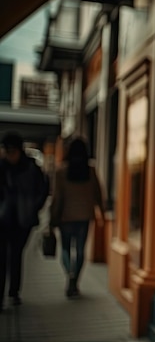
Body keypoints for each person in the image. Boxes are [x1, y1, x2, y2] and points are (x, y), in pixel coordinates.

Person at [50, 137, 105, 297]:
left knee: (65, 249)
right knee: (80, 250)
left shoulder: (61, 172)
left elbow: (57, 198)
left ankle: (70, 274)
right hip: (84, 217)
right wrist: (100, 211)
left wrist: (53, 217)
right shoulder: (90, 171)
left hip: (65, 217)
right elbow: (98, 193)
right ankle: (75, 280)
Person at [0, 132, 49, 310]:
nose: (9, 154)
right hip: (3, 219)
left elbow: (43, 189)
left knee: (16, 256)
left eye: (12, 150)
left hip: (23, 219)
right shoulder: (2, 167)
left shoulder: (31, 168)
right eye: (6, 150)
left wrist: (34, 207)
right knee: (2, 258)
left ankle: (14, 292)